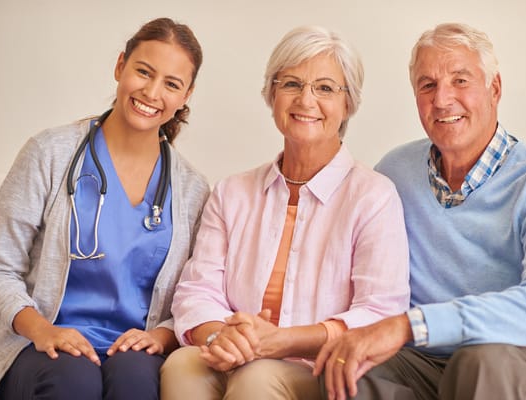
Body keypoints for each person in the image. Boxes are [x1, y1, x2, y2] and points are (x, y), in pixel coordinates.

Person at [314, 22, 526, 400]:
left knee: (479, 364)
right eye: (428, 85)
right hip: (428, 359)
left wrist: (413, 326)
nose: (442, 99)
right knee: (342, 367)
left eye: (460, 81)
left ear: (494, 89)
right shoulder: (394, 172)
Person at [159, 25, 410, 400]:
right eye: (292, 84)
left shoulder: (373, 196)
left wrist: (279, 342)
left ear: (348, 104)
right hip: (238, 354)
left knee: (256, 379)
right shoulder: (232, 192)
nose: (306, 100)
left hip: (321, 368)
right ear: (272, 94)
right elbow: (197, 290)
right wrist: (220, 336)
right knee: (182, 365)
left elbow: (379, 313)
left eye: (325, 88)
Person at [0, 17, 210, 399]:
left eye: (171, 84)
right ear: (120, 66)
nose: (152, 92)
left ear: (186, 95)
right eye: (144, 71)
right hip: (40, 344)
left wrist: (161, 334)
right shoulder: (50, 153)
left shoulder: (191, 189)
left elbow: (194, 294)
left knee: (137, 382)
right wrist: (43, 329)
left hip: (133, 349)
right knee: (73, 381)